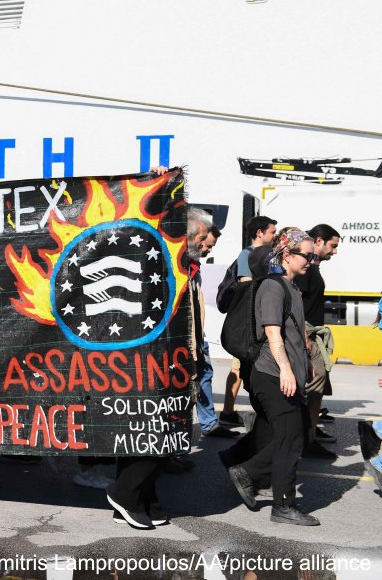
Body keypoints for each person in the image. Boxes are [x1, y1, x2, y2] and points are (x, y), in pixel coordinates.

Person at [107, 206, 210, 529]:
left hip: (179, 359)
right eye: (204, 237)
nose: (209, 244)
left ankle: (142, 498)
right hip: (149, 361)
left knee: (159, 434)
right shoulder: (158, 258)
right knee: (152, 434)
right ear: (188, 234)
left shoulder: (190, 267)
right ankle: (124, 493)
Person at [227, 227, 319, 526]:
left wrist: (304, 361)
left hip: (284, 373)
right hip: (272, 374)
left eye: (312, 255)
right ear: (288, 255)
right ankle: (282, 505)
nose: (311, 260)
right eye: (306, 255)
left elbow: (291, 330)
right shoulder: (272, 287)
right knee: (291, 439)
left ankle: (248, 473)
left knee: (295, 434)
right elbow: (272, 332)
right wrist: (287, 370)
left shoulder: (292, 287)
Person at [219, 216, 277, 428]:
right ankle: (227, 411)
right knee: (238, 367)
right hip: (249, 323)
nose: (274, 236)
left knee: (241, 368)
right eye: (272, 232)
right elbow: (247, 287)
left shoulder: (264, 254)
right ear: (259, 233)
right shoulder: (247, 255)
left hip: (256, 321)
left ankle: (229, 411)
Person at [293, 224, 340, 460]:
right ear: (319, 241)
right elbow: (296, 304)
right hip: (307, 338)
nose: (335, 251)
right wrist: (304, 339)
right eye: (333, 246)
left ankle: (309, 436)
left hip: (312, 337)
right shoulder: (307, 270)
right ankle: (305, 441)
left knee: (315, 391)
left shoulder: (313, 268)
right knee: (311, 390)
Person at [196, 226, 235, 439]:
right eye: (207, 244)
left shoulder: (194, 266)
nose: (209, 250)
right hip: (186, 337)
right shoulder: (182, 265)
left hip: (196, 335)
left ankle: (209, 423)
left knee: (205, 375)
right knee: (197, 378)